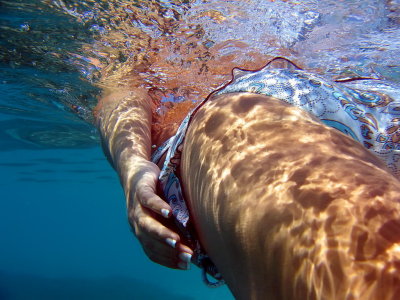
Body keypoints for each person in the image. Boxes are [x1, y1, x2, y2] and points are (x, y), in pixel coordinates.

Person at [95, 57, 400, 299]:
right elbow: (122, 84)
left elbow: (124, 85)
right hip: (244, 111)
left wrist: (133, 163)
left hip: (369, 97)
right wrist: (132, 167)